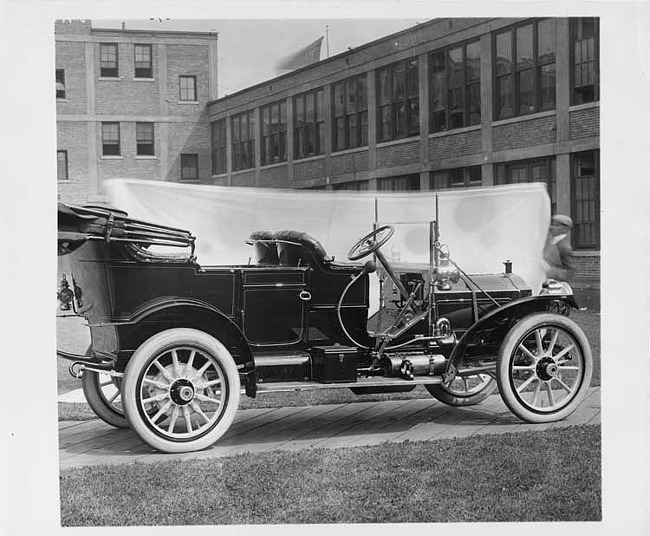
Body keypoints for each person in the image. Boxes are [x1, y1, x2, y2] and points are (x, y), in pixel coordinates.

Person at [543, 214, 575, 282]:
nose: (552, 227)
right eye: (552, 224)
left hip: (556, 286)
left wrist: (553, 271)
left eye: (556, 225)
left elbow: (570, 272)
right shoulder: (550, 242)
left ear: (565, 228)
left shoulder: (564, 247)